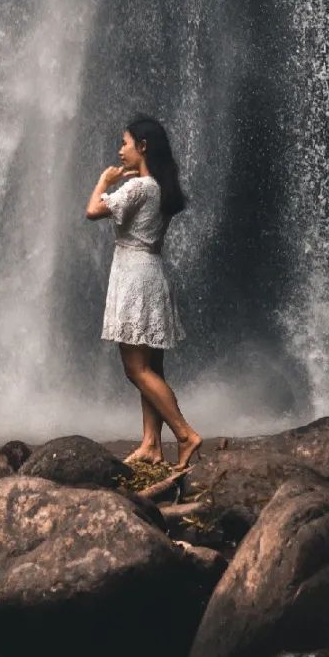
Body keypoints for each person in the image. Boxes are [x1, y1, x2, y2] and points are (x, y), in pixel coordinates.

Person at [86, 113, 202, 471]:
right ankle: (152, 444)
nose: (120, 150)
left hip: (134, 278)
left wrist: (103, 181)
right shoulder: (159, 188)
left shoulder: (138, 188)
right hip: (152, 273)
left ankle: (185, 435)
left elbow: (92, 211)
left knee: (136, 369)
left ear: (143, 146)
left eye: (125, 142)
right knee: (153, 368)